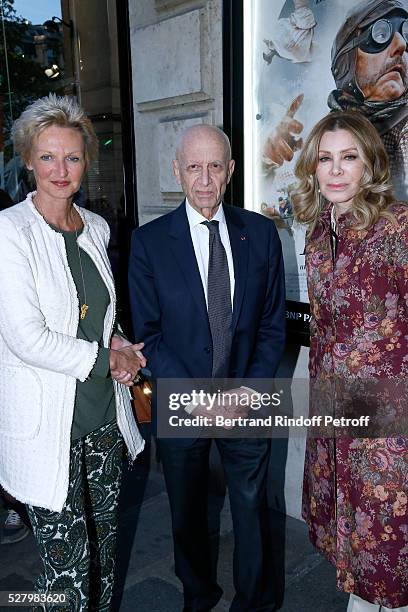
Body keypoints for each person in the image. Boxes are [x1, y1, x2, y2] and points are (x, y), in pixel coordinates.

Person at [128, 124, 286, 612]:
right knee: (188, 514)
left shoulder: (260, 234)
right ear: (176, 171)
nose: (203, 179)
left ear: (231, 171)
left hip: (245, 400)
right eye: (192, 167)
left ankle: (255, 602)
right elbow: (149, 334)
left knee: (253, 508)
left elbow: (271, 327)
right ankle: (198, 595)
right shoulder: (149, 243)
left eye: (214, 166)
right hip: (182, 402)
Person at [0, 94, 146, 611]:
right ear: (27, 160)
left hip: (103, 418)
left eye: (73, 157)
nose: (61, 170)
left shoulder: (97, 227)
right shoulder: (9, 232)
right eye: (47, 157)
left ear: (87, 160)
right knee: (65, 574)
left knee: (104, 553)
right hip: (48, 431)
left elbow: (93, 314)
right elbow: (26, 337)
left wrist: (117, 341)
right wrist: (108, 359)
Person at [291, 111, 408, 612]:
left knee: (389, 545)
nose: (335, 171)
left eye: (349, 157)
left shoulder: (396, 227)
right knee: (354, 540)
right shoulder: (319, 233)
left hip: (389, 425)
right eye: (325, 159)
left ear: (370, 164)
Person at [328, 0, 408, 200]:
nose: (400, 46)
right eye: (381, 35)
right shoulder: (328, 135)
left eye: (406, 36)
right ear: (346, 60)